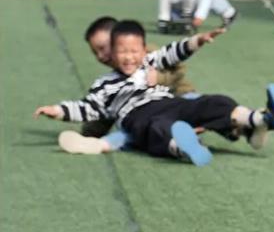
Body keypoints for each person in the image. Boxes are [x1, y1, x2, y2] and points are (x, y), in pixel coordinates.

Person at [34, 20, 274, 166]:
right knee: (156, 127)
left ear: (143, 49)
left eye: (133, 51)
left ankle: (262, 119)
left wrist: (197, 41)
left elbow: (174, 52)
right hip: (138, 115)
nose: (126, 56)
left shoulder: (149, 60)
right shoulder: (104, 84)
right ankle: (184, 146)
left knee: (214, 102)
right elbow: (86, 107)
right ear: (114, 51)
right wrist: (56, 111)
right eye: (102, 52)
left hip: (171, 101)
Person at [58, 15, 198, 155]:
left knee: (197, 104)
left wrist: (158, 78)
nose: (100, 56)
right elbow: (107, 109)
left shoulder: (149, 53)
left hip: (179, 97)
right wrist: (89, 133)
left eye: (102, 48)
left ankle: (183, 134)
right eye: (95, 52)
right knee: (137, 128)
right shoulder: (116, 76)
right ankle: (99, 144)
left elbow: (179, 69)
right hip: (150, 114)